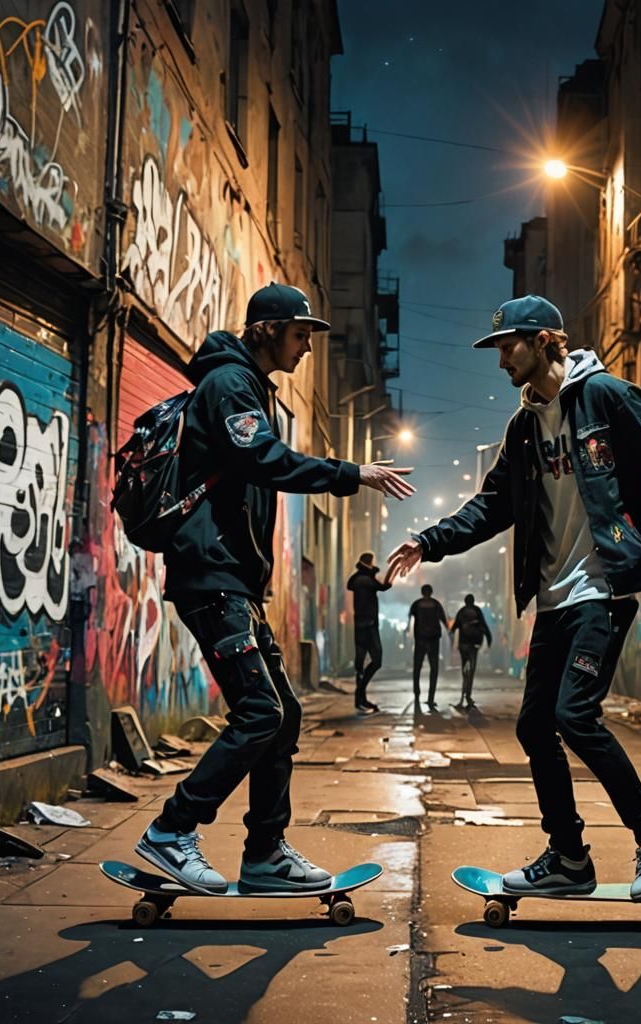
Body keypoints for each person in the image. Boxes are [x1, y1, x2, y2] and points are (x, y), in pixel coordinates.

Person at [387, 294, 641, 901]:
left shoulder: (608, 397)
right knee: (536, 726)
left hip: (605, 584)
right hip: (556, 597)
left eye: (508, 346)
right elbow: (492, 507)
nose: (500, 359)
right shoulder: (521, 428)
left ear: (544, 342)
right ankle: (568, 856)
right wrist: (426, 542)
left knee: (575, 715)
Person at [135, 281, 414, 894]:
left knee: (282, 715)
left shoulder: (248, 386)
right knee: (260, 712)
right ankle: (171, 830)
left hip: (230, 578)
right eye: (299, 335)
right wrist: (352, 473)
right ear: (266, 330)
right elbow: (265, 459)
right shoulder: (230, 384)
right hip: (211, 576)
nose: (308, 348)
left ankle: (265, 854)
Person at [346, 552, 391, 714]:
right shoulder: (366, 580)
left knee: (360, 665)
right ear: (369, 563)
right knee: (376, 659)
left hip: (360, 625)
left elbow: (350, 585)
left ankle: (360, 699)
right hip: (369, 626)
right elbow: (384, 586)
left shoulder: (357, 578)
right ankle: (360, 696)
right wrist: (390, 572)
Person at [408, 584, 449, 710]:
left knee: (417, 668)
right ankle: (431, 698)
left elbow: (410, 619)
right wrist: (450, 633)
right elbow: (443, 621)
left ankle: (417, 694)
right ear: (431, 592)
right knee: (434, 668)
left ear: (422, 592)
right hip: (433, 640)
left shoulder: (416, 604)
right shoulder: (436, 604)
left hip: (420, 640)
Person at [450, 594, 492, 708]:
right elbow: (484, 626)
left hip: (463, 645)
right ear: (473, 601)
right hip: (474, 644)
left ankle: (464, 686)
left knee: (464, 667)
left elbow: (453, 629)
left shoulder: (461, 612)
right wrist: (489, 641)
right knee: (472, 669)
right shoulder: (477, 611)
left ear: (465, 601)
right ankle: (468, 694)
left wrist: (451, 645)